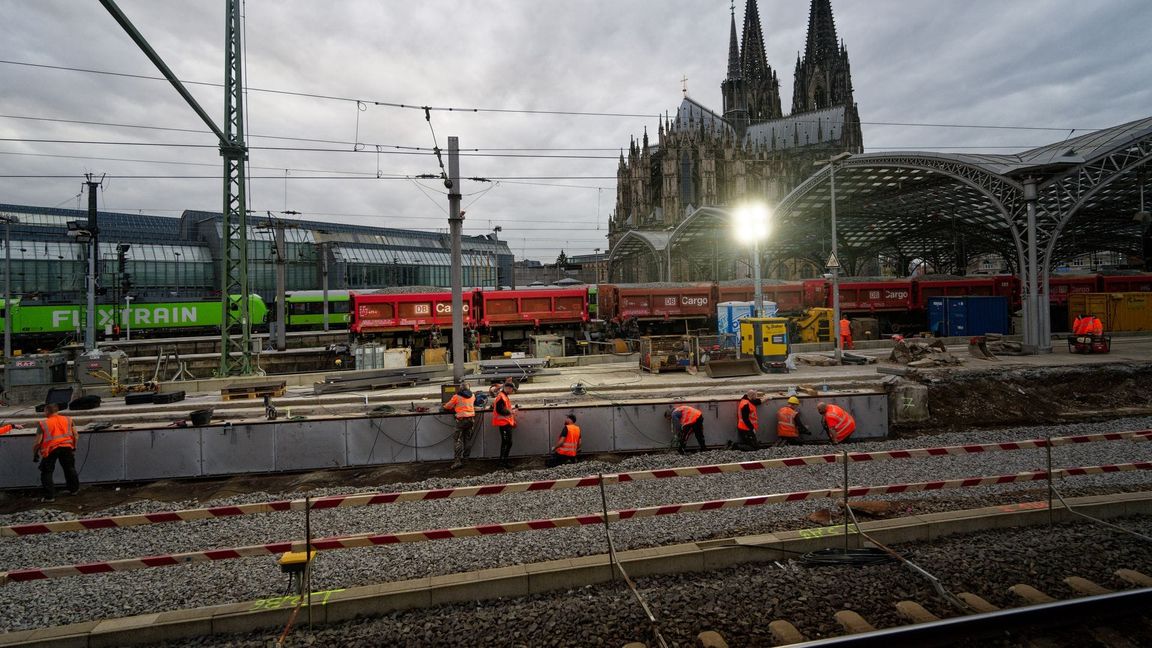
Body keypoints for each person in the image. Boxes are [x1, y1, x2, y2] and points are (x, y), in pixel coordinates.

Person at [33, 404, 79, 502]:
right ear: (57, 411)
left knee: (47, 472)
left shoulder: (43, 423)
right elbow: (76, 435)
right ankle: (74, 490)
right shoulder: (68, 419)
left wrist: (35, 453)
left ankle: (49, 496)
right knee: (69, 469)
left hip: (51, 449)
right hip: (67, 447)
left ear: (47, 411)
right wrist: (74, 447)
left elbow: (37, 442)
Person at [443, 382, 476, 469]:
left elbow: (447, 407)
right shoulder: (473, 395)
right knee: (467, 439)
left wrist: (445, 406)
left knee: (458, 440)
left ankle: (457, 461)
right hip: (471, 420)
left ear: (460, 388)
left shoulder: (456, 396)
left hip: (461, 421)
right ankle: (466, 459)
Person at [492, 381, 518, 468]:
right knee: (507, 442)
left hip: (505, 423)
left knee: (507, 442)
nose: (512, 391)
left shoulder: (503, 396)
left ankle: (503, 462)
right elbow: (500, 410)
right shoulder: (501, 397)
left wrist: (511, 412)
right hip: (503, 423)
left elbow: (502, 409)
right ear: (508, 388)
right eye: (512, 390)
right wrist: (511, 412)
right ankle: (503, 462)